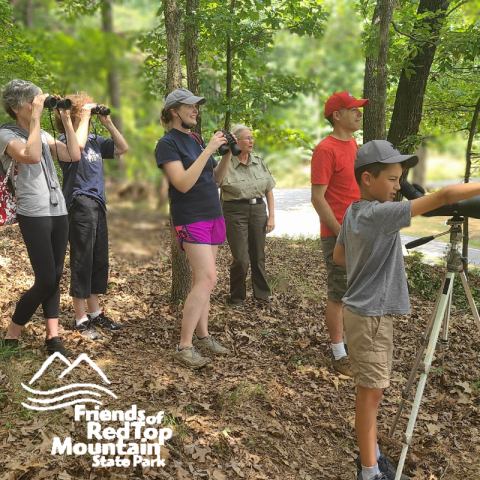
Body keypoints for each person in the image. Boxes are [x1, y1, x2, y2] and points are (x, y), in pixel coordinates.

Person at [333, 139, 480, 480]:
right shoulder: (379, 214)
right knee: (370, 398)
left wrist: (369, 259)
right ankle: (369, 471)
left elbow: (340, 257)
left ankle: (372, 454)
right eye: (392, 179)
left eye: (400, 179)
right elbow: (441, 198)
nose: (398, 186)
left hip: (362, 312)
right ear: (368, 178)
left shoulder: (354, 211)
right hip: (370, 317)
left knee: (371, 393)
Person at [0, 79, 81, 359]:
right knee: (46, 278)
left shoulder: (44, 133)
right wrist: (36, 117)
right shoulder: (6, 134)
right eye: (31, 101)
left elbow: (73, 154)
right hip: (33, 211)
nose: (37, 104)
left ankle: (53, 337)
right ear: (15, 107)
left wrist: (66, 120)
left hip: (58, 210)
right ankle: (11, 334)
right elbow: (31, 156)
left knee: (56, 275)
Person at [155, 88, 235, 369]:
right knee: (208, 279)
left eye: (197, 107)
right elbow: (183, 183)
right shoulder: (167, 143)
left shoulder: (197, 139)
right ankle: (184, 345)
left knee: (205, 280)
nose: (196, 111)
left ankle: (202, 336)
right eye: (190, 107)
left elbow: (215, 178)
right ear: (174, 111)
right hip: (190, 217)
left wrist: (225, 153)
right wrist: (210, 149)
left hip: (212, 213)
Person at [55, 92, 128, 340]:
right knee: (82, 259)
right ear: (75, 113)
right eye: (83, 110)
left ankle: (95, 313)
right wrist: (85, 114)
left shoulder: (96, 139)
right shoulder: (64, 139)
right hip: (79, 202)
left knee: (98, 259)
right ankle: (80, 318)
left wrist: (107, 123)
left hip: (98, 202)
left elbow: (123, 148)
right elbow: (80, 146)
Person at [311, 91, 369, 376]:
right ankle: (338, 355)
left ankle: (349, 344)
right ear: (337, 115)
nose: (359, 114)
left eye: (359, 110)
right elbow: (317, 198)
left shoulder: (354, 144)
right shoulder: (325, 149)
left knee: (355, 290)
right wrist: (341, 233)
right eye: (353, 109)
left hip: (359, 230)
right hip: (337, 234)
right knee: (339, 293)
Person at [218, 124, 275, 306]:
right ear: (236, 140)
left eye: (252, 138)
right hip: (234, 212)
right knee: (241, 258)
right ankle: (237, 297)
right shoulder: (226, 163)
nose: (251, 141)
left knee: (258, 255)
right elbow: (215, 183)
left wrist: (271, 216)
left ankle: (262, 294)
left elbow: (269, 190)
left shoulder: (259, 161)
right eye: (247, 138)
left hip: (258, 210)